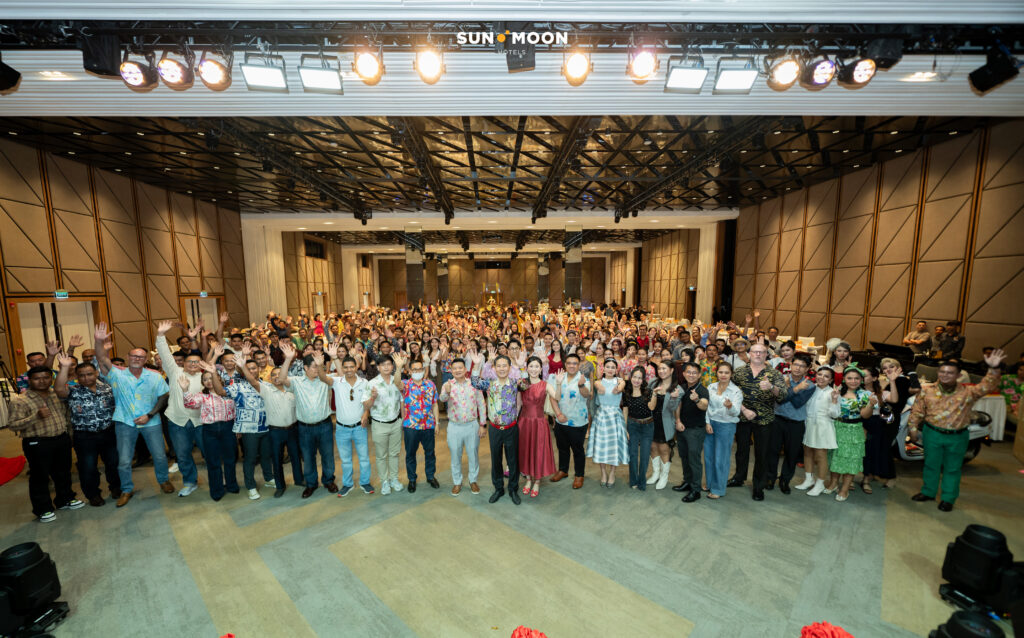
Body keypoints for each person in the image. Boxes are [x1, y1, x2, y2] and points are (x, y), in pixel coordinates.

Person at [908, 350, 1005, 512]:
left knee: (952, 469)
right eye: (942, 372)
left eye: (950, 373)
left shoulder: (968, 392)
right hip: (932, 434)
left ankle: (948, 499)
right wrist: (912, 428)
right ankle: (928, 492)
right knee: (931, 465)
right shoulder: (927, 391)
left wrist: (994, 368)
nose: (945, 375)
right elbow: (917, 411)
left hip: (957, 436)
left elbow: (988, 386)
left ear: (959, 375)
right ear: (938, 372)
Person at [94, 322, 173, 507]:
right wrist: (99, 342)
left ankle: (163, 480)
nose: (137, 359)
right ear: (128, 357)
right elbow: (101, 358)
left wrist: (150, 414)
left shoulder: (154, 375)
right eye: (134, 356)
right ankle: (126, 489)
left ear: (145, 359)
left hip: (151, 422)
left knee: (160, 456)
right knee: (124, 460)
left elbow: (163, 396)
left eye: (141, 357)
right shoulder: (117, 374)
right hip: (125, 422)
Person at [8, 365, 85, 521]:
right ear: (30, 380)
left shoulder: (57, 394)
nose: (42, 381)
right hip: (37, 443)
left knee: (63, 472)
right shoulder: (20, 401)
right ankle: (43, 509)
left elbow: (66, 415)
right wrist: (36, 416)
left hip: (61, 439)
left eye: (46, 377)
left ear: (51, 379)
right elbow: (13, 425)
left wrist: (69, 436)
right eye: (37, 378)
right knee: (40, 476)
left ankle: (65, 499)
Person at [55, 353, 120, 507]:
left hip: (108, 432)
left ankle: (116, 488)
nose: (86, 378)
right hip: (84, 436)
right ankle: (93, 495)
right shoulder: (73, 390)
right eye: (82, 375)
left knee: (113, 463)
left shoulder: (108, 388)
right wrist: (64, 368)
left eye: (89, 374)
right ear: (77, 377)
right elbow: (58, 389)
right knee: (88, 467)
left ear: (96, 373)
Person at [278, 342, 338, 498]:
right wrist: (288, 359)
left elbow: (342, 375)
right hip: (305, 428)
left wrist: (332, 358)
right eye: (314, 367)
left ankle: (328, 480)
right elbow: (281, 379)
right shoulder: (297, 382)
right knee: (308, 457)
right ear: (305, 368)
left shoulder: (324, 380)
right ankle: (311, 484)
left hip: (324, 425)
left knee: (327, 456)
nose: (317, 370)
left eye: (319, 366)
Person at [730, 343, 789, 500]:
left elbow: (783, 395)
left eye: (761, 352)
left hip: (764, 418)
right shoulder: (739, 372)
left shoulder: (774, 374)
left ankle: (758, 486)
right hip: (743, 416)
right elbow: (731, 393)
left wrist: (771, 387)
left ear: (766, 355)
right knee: (741, 450)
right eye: (755, 352)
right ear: (749, 353)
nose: (758, 354)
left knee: (762, 453)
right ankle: (739, 477)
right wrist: (744, 410)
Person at [155, 320, 205, 498]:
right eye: (189, 362)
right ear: (183, 363)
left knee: (209, 452)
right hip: (178, 422)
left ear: (201, 364)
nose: (192, 364)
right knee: (183, 455)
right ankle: (190, 482)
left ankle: (216, 479)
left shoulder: (206, 377)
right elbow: (164, 354)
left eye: (196, 362)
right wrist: (161, 335)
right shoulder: (175, 372)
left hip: (201, 421)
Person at [470, 353, 523, 505]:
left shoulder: (515, 383)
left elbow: (526, 385)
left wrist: (521, 367)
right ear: (494, 368)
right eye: (498, 366)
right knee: (496, 459)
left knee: (513, 460)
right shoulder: (489, 383)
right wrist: (477, 364)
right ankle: (498, 488)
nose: (501, 368)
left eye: (504, 365)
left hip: (511, 428)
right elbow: (474, 382)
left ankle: (513, 489)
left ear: (509, 368)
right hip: (494, 429)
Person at [180, 366, 239, 501]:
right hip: (209, 430)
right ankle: (217, 490)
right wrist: (185, 390)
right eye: (205, 379)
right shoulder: (202, 396)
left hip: (228, 428)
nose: (208, 381)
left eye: (211, 378)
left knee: (230, 459)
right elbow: (190, 404)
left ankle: (231, 485)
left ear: (219, 378)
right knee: (213, 462)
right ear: (203, 382)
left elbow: (237, 410)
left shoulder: (228, 392)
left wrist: (238, 428)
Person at [324, 350, 373, 497]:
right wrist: (325, 361)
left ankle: (365, 482)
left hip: (359, 427)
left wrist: (366, 413)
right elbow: (322, 377)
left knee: (364, 458)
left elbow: (367, 402)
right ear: (342, 368)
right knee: (345, 460)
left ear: (356, 367)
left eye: (352, 366)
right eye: (345, 367)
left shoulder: (364, 383)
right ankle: (348, 484)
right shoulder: (337, 382)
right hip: (341, 429)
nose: (349, 369)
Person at [227, 347, 273, 500]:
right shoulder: (237, 386)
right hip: (249, 429)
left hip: (266, 426)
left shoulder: (266, 385)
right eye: (248, 368)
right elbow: (222, 393)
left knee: (266, 456)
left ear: (259, 369)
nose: (252, 371)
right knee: (251, 458)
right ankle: (250, 486)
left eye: (254, 368)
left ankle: (269, 478)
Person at [825, 368, 876, 502]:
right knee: (835, 458)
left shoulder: (865, 394)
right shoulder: (837, 391)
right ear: (844, 379)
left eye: (856, 378)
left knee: (851, 461)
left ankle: (845, 489)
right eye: (849, 378)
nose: (853, 381)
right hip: (837, 428)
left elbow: (865, 415)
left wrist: (871, 404)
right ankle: (833, 483)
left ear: (861, 380)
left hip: (854, 430)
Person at [767, 353, 815, 493]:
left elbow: (798, 402)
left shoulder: (809, 385)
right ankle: (770, 478)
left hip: (796, 423)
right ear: (791, 365)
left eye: (802, 366)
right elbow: (780, 399)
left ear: (807, 369)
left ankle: (785, 481)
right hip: (777, 419)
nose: (798, 368)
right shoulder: (781, 379)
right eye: (796, 364)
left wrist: (790, 389)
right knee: (772, 451)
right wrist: (795, 389)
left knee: (791, 454)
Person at [439, 359, 485, 496]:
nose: (458, 370)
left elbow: (481, 404)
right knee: (455, 455)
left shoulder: (474, 384)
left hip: (472, 425)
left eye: (460, 367)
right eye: (455, 368)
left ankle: (473, 480)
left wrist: (483, 424)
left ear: (465, 369)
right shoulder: (447, 384)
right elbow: (442, 399)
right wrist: (447, 392)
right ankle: (457, 482)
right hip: (454, 426)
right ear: (451, 370)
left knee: (473, 454)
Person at [363, 353, 407, 495]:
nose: (386, 367)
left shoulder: (397, 380)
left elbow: (402, 401)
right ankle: (384, 481)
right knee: (381, 455)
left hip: (396, 423)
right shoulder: (371, 383)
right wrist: (373, 397)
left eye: (389, 364)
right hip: (379, 424)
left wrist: (403, 421)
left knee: (394, 454)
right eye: (383, 365)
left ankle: (394, 479)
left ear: (393, 366)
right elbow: (366, 405)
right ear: (378, 367)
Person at [548, 354, 592, 489]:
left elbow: (586, 394)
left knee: (577, 449)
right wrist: (558, 414)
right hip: (561, 420)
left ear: (579, 365)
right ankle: (563, 470)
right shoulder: (558, 377)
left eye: (575, 363)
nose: (572, 365)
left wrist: (581, 385)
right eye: (569, 363)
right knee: (562, 448)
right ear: (565, 364)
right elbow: (552, 397)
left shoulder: (583, 379)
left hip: (578, 421)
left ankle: (579, 475)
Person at [259, 365, 303, 498]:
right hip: (275, 432)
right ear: (270, 378)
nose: (277, 377)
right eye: (273, 375)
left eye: (280, 374)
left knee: (296, 457)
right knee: (277, 460)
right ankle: (280, 486)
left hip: (293, 429)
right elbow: (253, 381)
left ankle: (299, 480)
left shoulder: (292, 390)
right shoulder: (266, 390)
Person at [703, 361, 746, 499]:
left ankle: (718, 489)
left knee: (721, 458)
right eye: (721, 372)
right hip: (710, 424)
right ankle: (710, 483)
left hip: (726, 426)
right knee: (708, 457)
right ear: (716, 373)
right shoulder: (711, 387)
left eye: (726, 372)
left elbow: (736, 412)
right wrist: (707, 422)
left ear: (731, 374)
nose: (723, 375)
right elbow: (706, 407)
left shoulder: (736, 391)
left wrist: (730, 406)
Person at [795, 367, 838, 496]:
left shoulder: (832, 392)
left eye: (826, 376)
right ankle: (809, 479)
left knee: (820, 456)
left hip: (823, 426)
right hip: (808, 423)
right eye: (820, 374)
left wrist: (834, 400)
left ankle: (820, 483)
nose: (822, 378)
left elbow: (835, 414)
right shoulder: (810, 388)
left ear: (831, 380)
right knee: (807, 452)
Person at [517, 356, 556, 498]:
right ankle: (528, 479)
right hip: (524, 422)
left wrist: (559, 383)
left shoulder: (545, 385)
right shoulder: (523, 383)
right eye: (531, 366)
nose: (533, 369)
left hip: (539, 423)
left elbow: (557, 397)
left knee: (538, 451)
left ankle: (537, 481)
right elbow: (518, 404)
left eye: (536, 366)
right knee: (525, 451)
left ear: (541, 369)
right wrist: (514, 421)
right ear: (527, 368)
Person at [672, 362, 710, 502]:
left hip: (695, 430)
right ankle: (687, 482)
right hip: (682, 428)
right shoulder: (681, 388)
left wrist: (697, 400)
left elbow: (704, 405)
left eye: (694, 373)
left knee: (694, 460)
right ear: (683, 373)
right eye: (688, 372)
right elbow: (677, 406)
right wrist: (678, 421)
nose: (691, 375)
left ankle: (696, 490)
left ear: (699, 375)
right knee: (684, 457)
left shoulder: (702, 390)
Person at [400, 358, 439, 493]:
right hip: (411, 426)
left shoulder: (430, 385)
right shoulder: (405, 385)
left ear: (423, 370)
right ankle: (412, 479)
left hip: (428, 425)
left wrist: (437, 423)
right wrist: (399, 367)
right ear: (410, 371)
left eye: (420, 369)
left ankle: (430, 476)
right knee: (410, 454)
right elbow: (396, 383)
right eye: (415, 369)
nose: (418, 372)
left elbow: (435, 404)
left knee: (430, 453)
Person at [587, 359, 628, 488]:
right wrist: (600, 387)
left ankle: (612, 473)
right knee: (602, 446)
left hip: (615, 417)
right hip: (602, 417)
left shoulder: (620, 381)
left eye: (613, 367)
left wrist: (619, 388)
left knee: (614, 446)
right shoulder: (598, 382)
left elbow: (621, 387)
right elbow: (599, 387)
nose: (610, 369)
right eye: (608, 367)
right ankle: (603, 473)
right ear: (603, 369)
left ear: (616, 370)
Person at [647, 360, 682, 490]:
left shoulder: (677, 389)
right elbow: (647, 400)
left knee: (664, 449)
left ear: (671, 370)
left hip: (666, 422)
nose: (661, 371)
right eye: (659, 369)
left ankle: (664, 476)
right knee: (652, 446)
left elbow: (673, 408)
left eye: (664, 369)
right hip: (651, 420)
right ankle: (655, 473)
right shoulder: (653, 383)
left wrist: (674, 398)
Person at [622, 366, 654, 491]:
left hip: (648, 426)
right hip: (632, 425)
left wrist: (655, 395)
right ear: (631, 377)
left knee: (645, 455)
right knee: (633, 454)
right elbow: (625, 411)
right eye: (635, 377)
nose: (636, 380)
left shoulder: (648, 392)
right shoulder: (626, 393)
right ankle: (633, 480)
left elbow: (652, 407)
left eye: (640, 378)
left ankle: (642, 481)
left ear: (643, 379)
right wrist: (625, 428)